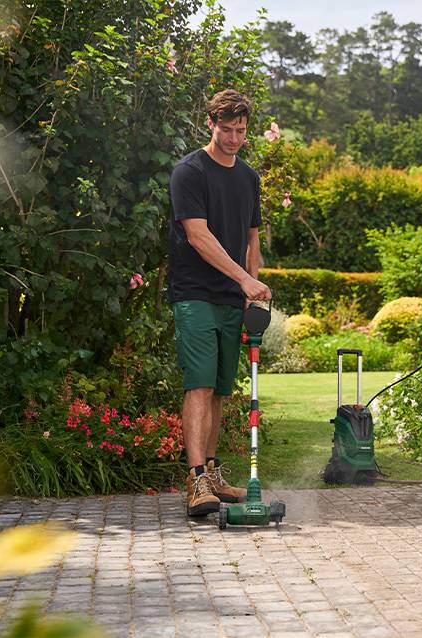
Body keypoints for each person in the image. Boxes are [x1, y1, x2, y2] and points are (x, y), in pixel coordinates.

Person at [168, 89, 272, 517]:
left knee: (221, 390)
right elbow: (199, 235)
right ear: (210, 123)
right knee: (200, 383)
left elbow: (252, 239)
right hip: (196, 294)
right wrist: (244, 279)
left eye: (241, 131)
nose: (233, 138)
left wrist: (256, 286)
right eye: (226, 129)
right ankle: (195, 481)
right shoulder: (189, 172)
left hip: (233, 298)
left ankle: (211, 474)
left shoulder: (248, 177)